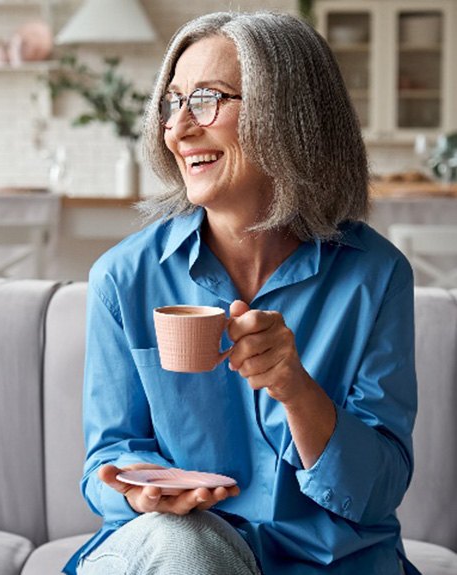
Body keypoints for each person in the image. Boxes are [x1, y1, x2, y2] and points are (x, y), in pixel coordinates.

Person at [63, 10, 420, 575]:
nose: (178, 129)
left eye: (206, 98)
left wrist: (295, 388)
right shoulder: (124, 278)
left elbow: (377, 491)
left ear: (289, 115)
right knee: (186, 549)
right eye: (172, 102)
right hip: (178, 549)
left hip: (329, 563)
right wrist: (139, 492)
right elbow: (107, 459)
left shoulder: (375, 277)